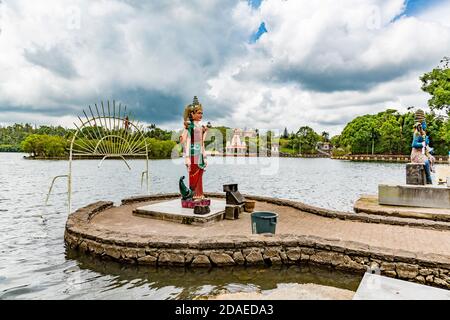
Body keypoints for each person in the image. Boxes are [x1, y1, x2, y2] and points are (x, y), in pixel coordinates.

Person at [179, 96, 208, 199]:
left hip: (199, 153)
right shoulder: (189, 126)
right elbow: (184, 140)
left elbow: (201, 142)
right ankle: (193, 194)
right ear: (192, 114)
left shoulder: (200, 127)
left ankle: (199, 194)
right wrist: (186, 157)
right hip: (192, 153)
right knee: (193, 173)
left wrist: (204, 155)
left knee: (200, 174)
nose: (201, 115)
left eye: (201, 113)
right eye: (198, 113)